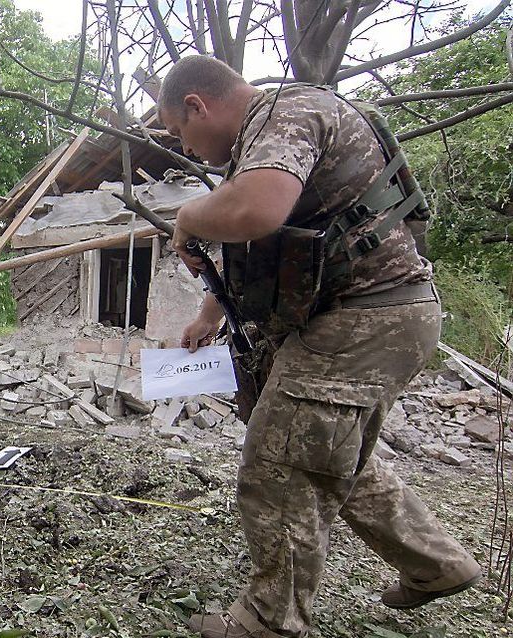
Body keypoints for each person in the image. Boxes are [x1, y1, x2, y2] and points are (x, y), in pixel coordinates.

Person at [158, 56, 481, 638]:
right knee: (334, 458)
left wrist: (188, 215)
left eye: (181, 133)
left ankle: (268, 622)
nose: (187, 149)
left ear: (196, 105)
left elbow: (257, 209)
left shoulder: (285, 111)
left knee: (280, 464)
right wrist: (211, 313)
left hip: (362, 318)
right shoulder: (272, 130)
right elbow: (284, 239)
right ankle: (436, 565)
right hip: (386, 316)